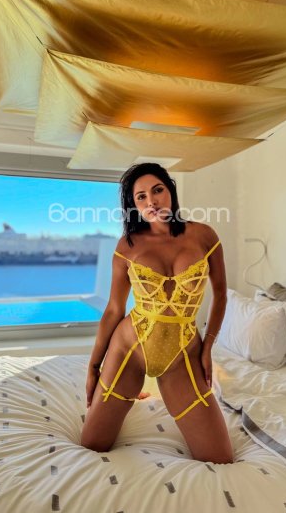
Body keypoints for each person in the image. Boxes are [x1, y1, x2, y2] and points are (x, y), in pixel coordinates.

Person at [80, 162, 233, 464]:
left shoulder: (204, 235)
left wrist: (208, 348)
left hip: (183, 352)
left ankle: (148, 390)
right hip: (129, 348)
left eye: (157, 190)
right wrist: (93, 366)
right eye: (141, 197)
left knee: (219, 458)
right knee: (92, 446)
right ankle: (131, 391)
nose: (151, 201)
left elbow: (221, 294)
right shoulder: (127, 246)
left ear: (170, 191)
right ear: (134, 206)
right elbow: (114, 309)